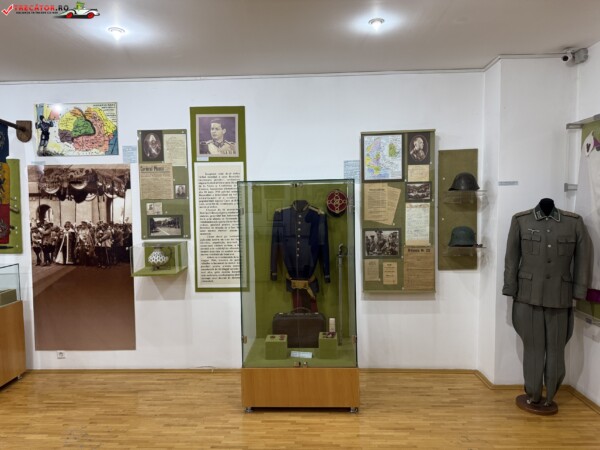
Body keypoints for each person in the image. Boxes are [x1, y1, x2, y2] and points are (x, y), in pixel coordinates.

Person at [503, 198, 591, 412]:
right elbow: (512, 258)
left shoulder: (574, 223)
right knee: (533, 349)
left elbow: (583, 260)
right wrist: (510, 287)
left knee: (556, 351)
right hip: (528, 297)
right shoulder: (521, 221)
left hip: (560, 298)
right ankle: (533, 393)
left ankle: (550, 395)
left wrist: (579, 291)